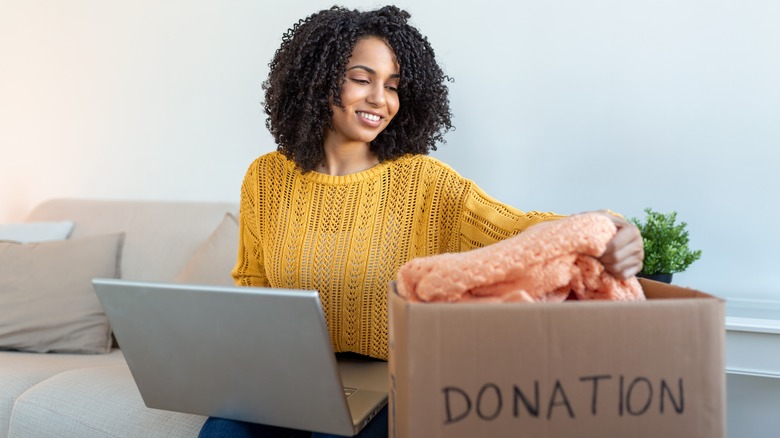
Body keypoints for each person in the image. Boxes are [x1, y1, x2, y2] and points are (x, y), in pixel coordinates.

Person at [199, 5, 644, 438]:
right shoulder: (266, 177)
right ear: (315, 82)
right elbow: (252, 284)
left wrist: (609, 226)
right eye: (361, 79)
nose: (380, 99)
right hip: (289, 378)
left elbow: (518, 227)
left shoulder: (424, 183)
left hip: (390, 383)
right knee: (219, 431)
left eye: (393, 86)